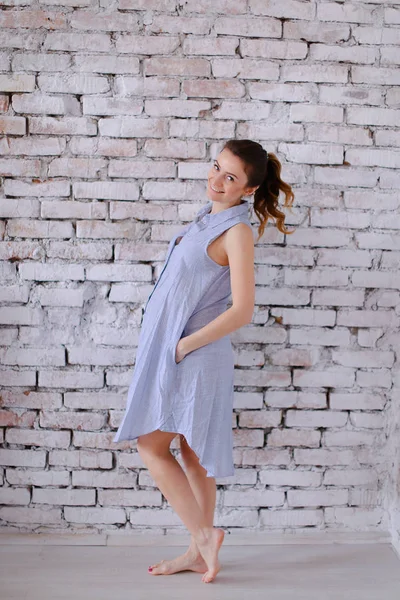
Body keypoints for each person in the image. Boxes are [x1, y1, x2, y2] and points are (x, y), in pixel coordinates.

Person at [113, 139, 294, 583]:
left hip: (193, 355)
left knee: (150, 446)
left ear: (247, 190)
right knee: (192, 456)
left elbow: (242, 310)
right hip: (179, 352)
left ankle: (204, 535)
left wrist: (183, 346)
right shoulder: (204, 221)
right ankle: (198, 551)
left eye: (230, 177)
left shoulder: (236, 232)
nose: (216, 180)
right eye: (216, 167)